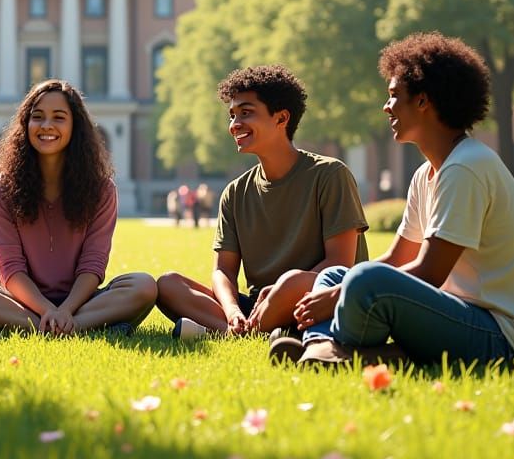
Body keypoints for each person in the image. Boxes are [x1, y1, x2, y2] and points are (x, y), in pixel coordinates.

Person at [284, 33, 514, 368]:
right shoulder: (426, 174)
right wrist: (339, 287)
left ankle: (331, 346)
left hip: (500, 338)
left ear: (423, 101)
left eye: (394, 95)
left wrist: (339, 297)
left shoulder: (467, 167)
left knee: (364, 281)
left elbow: (430, 271)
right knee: (339, 273)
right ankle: (325, 348)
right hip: (458, 316)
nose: (386, 106)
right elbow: (399, 257)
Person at [156, 65, 368, 340]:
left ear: (281, 119)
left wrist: (281, 290)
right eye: (232, 116)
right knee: (168, 284)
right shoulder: (235, 193)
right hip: (256, 305)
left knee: (290, 282)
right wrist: (232, 310)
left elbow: (339, 264)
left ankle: (233, 331)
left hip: (316, 297)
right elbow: (223, 270)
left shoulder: (330, 175)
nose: (234, 125)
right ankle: (249, 329)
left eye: (246, 113)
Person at [0, 79, 157, 335]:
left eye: (59, 117)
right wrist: (48, 310)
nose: (47, 125)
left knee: (144, 286)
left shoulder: (102, 189)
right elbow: (9, 267)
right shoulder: (1, 188)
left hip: (80, 301)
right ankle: (74, 327)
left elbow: (93, 264)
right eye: (37, 117)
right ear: (26, 125)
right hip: (23, 302)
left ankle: (55, 326)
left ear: (74, 126)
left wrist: (66, 309)